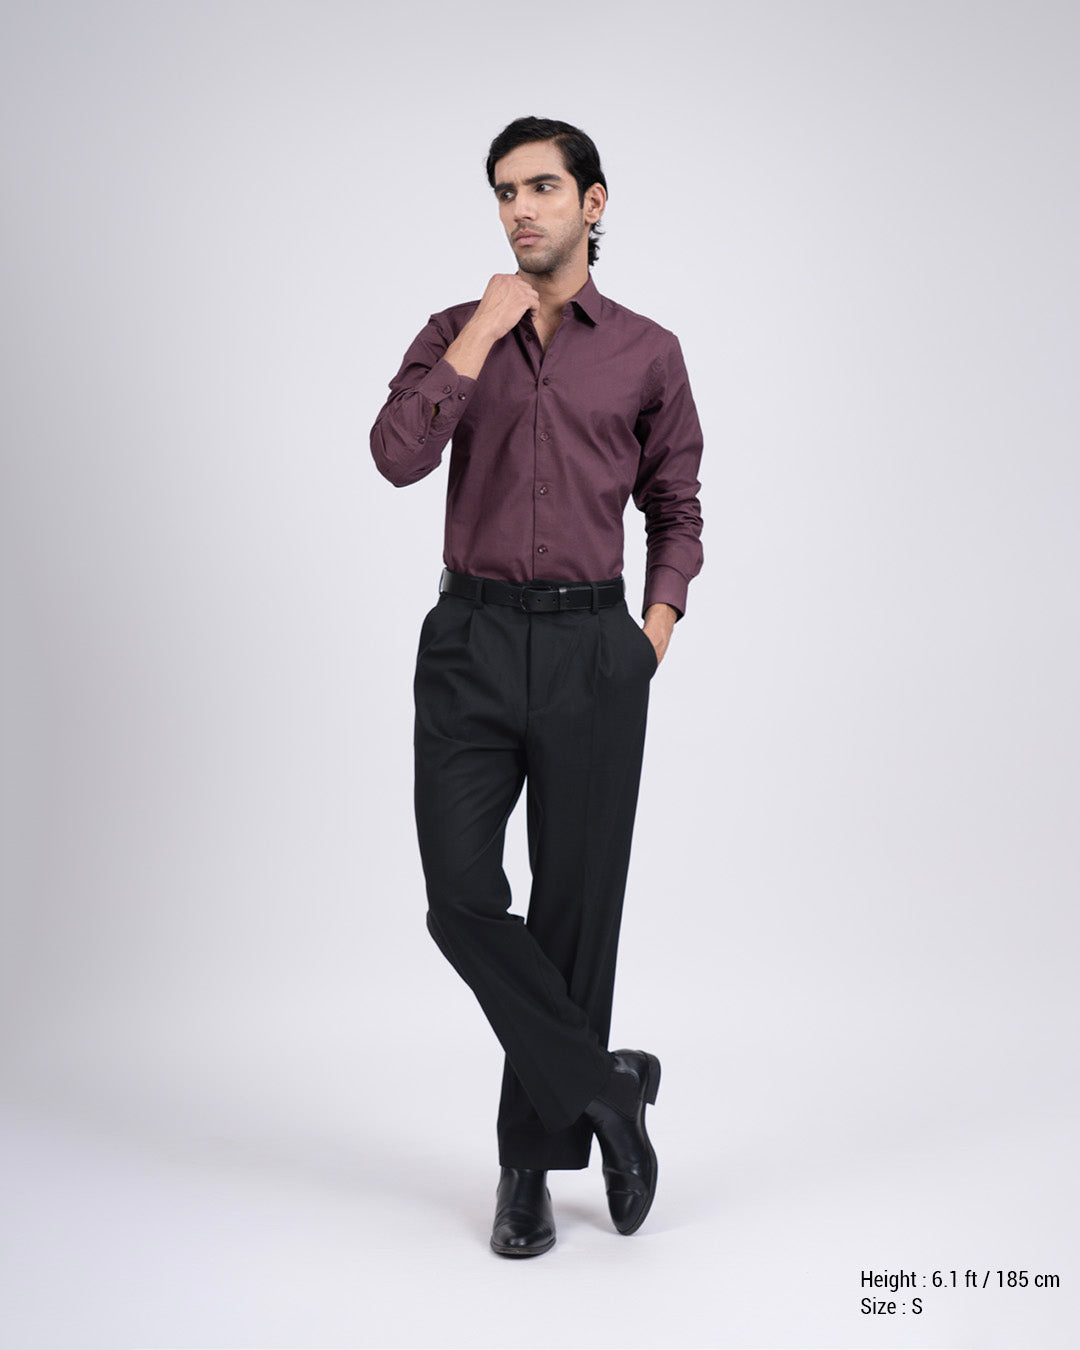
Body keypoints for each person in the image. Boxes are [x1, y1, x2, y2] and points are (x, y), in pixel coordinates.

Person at [370, 116, 703, 1257]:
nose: (521, 208)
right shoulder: (451, 332)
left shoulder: (649, 352)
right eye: (506, 191)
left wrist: (650, 634)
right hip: (469, 639)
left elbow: (677, 504)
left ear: (593, 204)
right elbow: (396, 456)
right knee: (461, 897)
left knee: (573, 910)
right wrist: (480, 333)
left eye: (544, 187)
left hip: (592, 650)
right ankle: (608, 1086)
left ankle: (528, 1168)